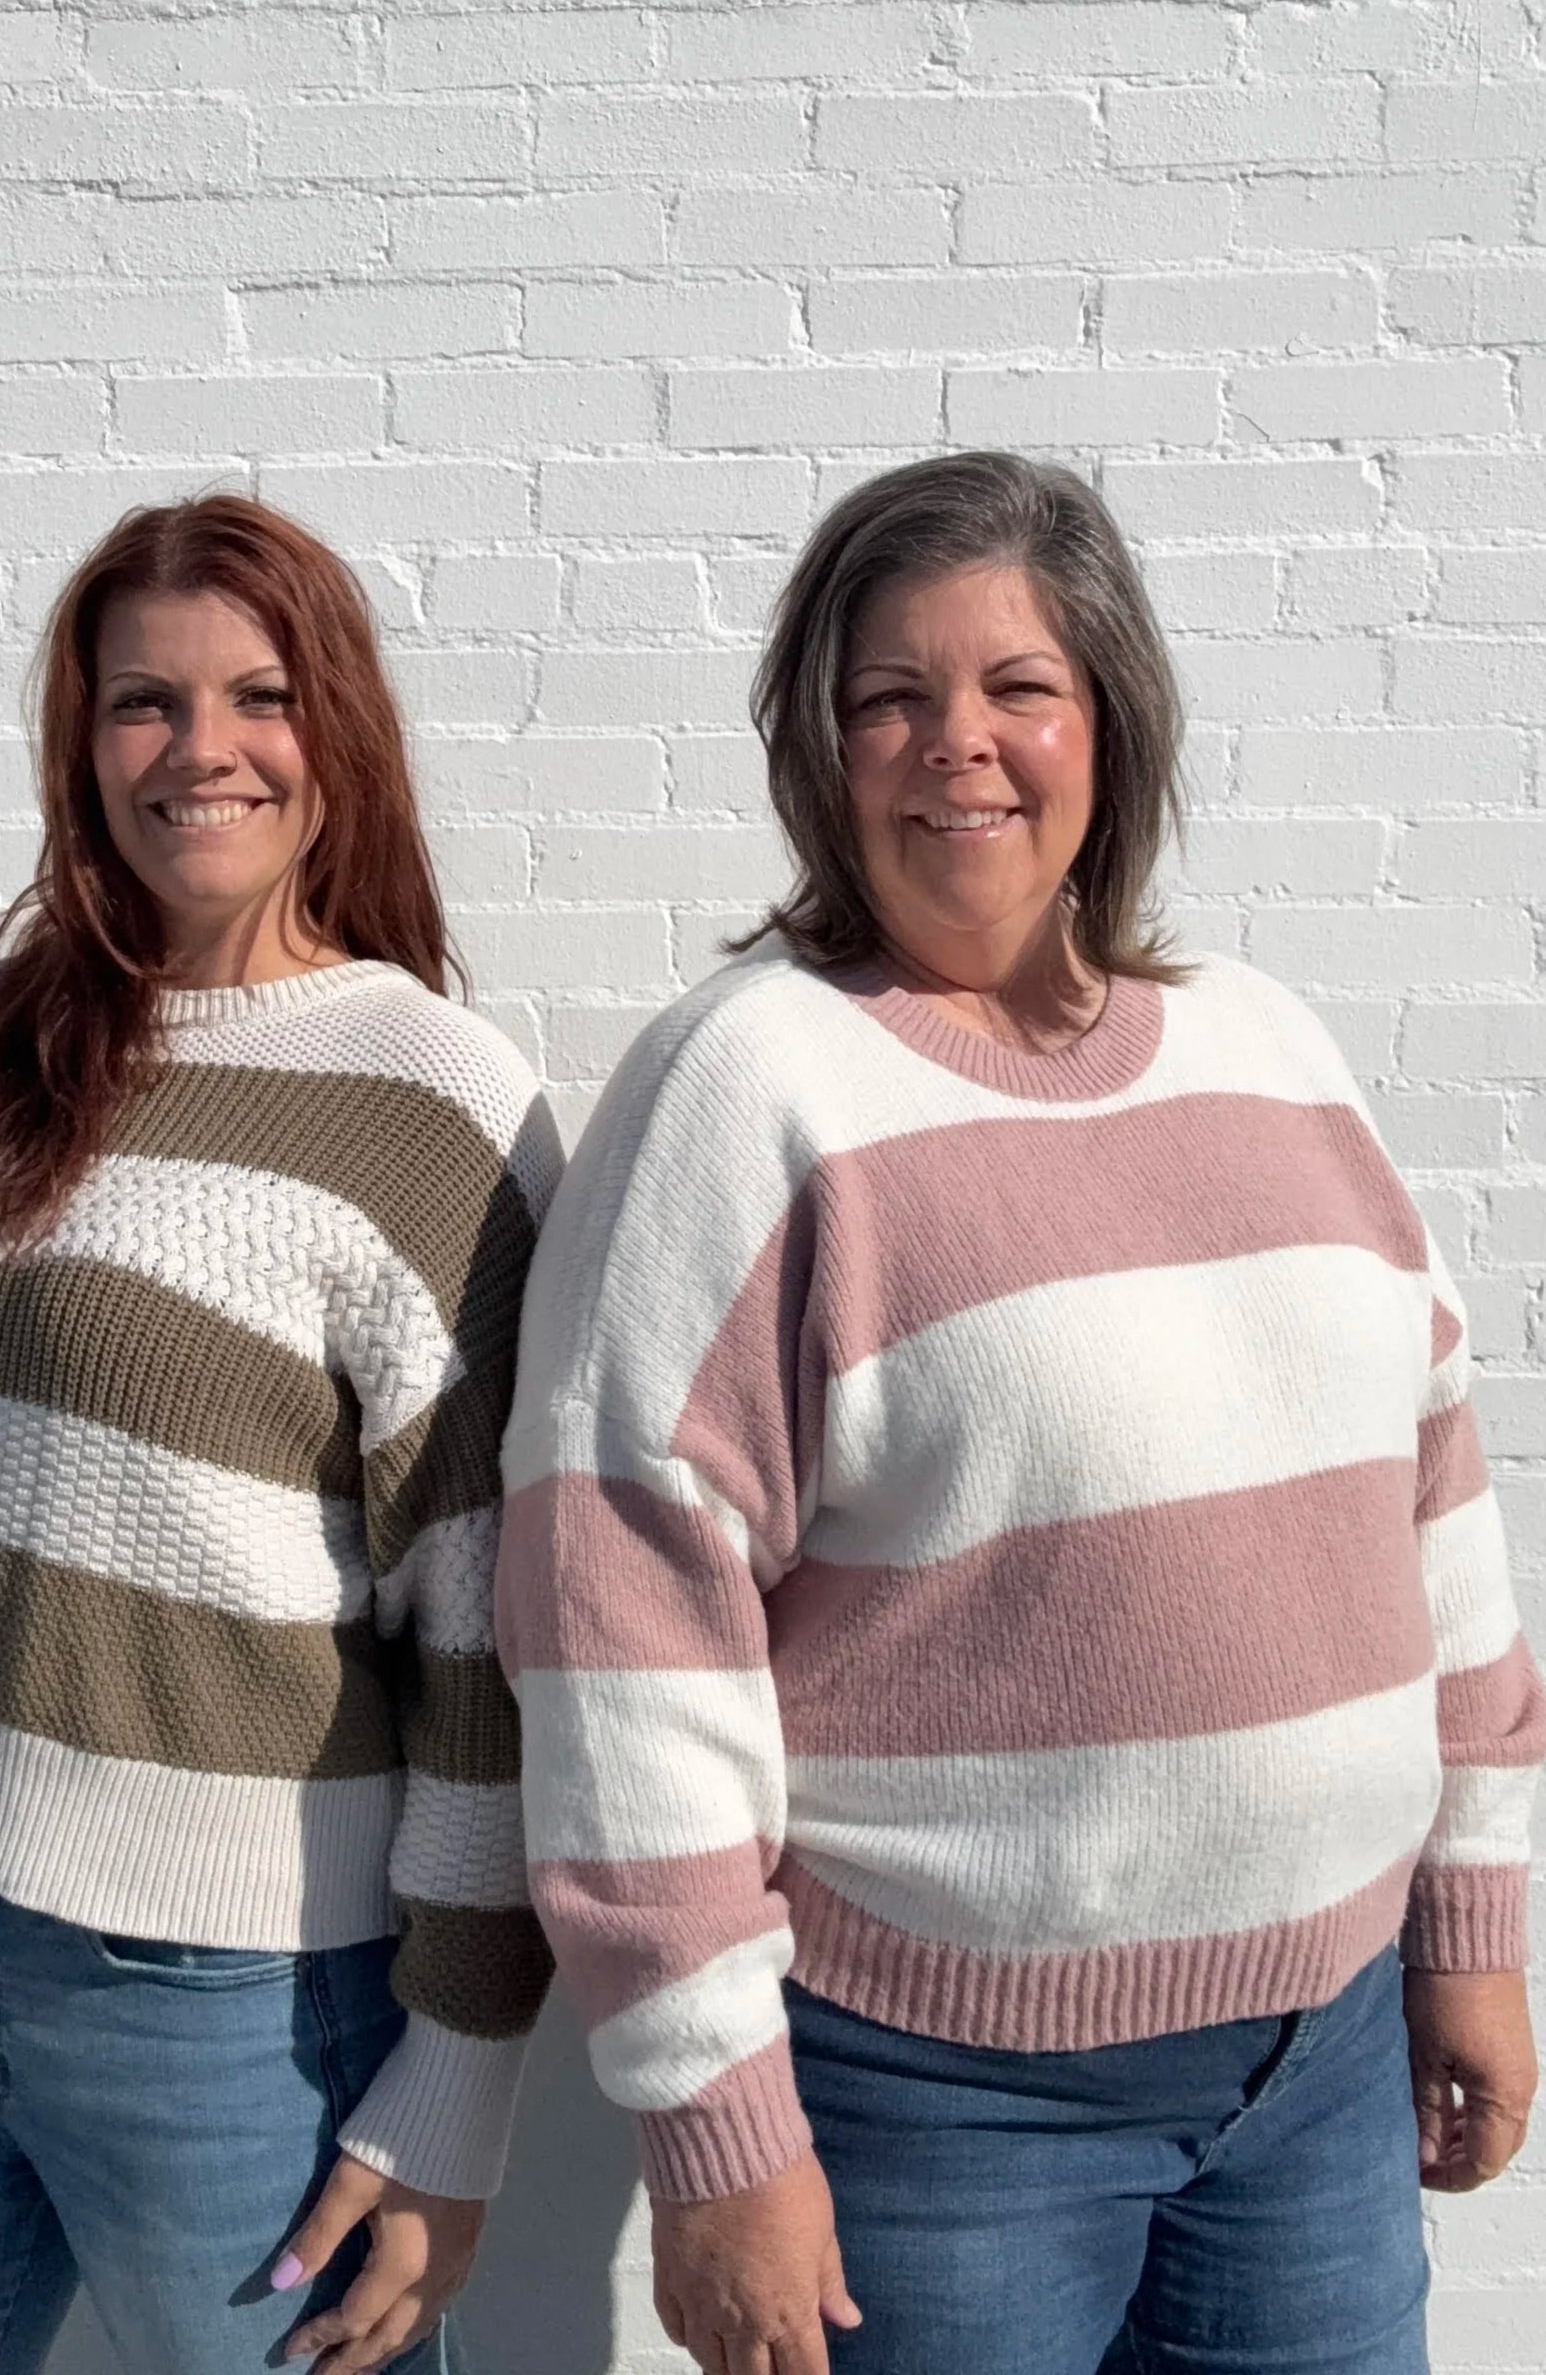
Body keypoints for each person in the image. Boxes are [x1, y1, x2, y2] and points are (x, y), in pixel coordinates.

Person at [496, 450, 1543, 2375]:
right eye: (886, 696)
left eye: (1014, 688)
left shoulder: (1268, 1042)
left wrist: (1473, 1916)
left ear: (1106, 723)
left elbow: (1434, 1496)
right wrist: (720, 2139)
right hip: (939, 2119)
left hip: (1318, 2074)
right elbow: (618, 1628)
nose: (952, 746)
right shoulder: (747, 1093)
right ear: (821, 752)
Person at [0, 494, 559, 2375]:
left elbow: (492, 1635)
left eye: (257, 696)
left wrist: (458, 2087)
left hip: (229, 2013)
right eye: (139, 703)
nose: (199, 751)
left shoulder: (432, 1101)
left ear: (335, 732)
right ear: (79, 743)